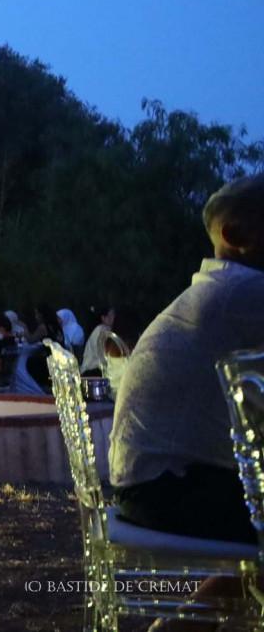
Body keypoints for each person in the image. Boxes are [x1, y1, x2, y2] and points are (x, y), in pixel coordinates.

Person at [110, 173, 264, 548]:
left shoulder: (218, 291)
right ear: (235, 235)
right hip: (175, 491)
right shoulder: (243, 291)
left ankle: (219, 586)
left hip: (150, 485)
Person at [80, 304, 129, 379]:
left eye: (114, 315)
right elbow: (103, 356)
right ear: (103, 318)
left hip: (96, 369)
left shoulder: (105, 330)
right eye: (111, 315)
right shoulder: (102, 331)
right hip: (92, 370)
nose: (114, 317)